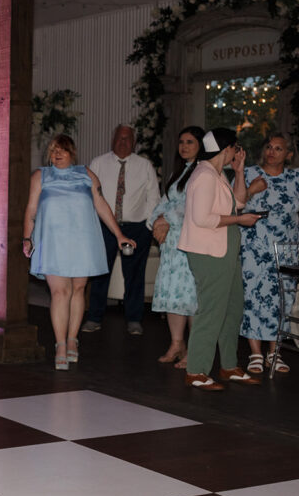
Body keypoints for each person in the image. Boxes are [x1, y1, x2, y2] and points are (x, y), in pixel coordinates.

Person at [22, 134, 134, 370]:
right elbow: (31, 209)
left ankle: (73, 339)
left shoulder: (86, 173)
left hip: (83, 239)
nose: (57, 154)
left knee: (78, 289)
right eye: (53, 151)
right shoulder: (40, 176)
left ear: (72, 152)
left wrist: (119, 235)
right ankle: (60, 344)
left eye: (62, 150)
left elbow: (101, 205)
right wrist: (27, 238)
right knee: (60, 292)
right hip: (53, 241)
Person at [178, 128, 262, 390]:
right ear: (226, 148)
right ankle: (197, 371)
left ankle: (228, 366)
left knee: (233, 308)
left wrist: (238, 172)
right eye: (236, 148)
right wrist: (239, 220)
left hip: (224, 251)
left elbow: (238, 202)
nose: (238, 153)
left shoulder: (217, 174)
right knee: (212, 311)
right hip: (209, 253)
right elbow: (202, 219)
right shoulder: (204, 175)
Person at [83, 125, 160, 335]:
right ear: (112, 140)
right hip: (106, 226)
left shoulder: (144, 165)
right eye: (119, 138)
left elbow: (154, 196)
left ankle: (134, 319)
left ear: (134, 142)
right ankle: (94, 317)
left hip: (136, 228)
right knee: (100, 273)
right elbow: (89, 195)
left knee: (134, 275)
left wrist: (148, 225)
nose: (122, 142)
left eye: (127, 139)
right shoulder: (98, 163)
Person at [239, 133, 299, 375]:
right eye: (269, 147)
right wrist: (251, 191)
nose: (272, 152)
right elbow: (233, 204)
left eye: (278, 148)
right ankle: (255, 352)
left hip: (286, 250)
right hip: (254, 248)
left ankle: (274, 353)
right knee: (253, 297)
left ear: (289, 154)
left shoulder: (296, 178)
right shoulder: (249, 174)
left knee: (281, 300)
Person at [148, 126, 203, 368]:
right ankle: (176, 343)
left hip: (191, 242)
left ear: (201, 145)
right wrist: (156, 220)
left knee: (191, 296)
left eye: (190, 141)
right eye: (181, 141)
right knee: (173, 293)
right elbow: (165, 202)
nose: (184, 146)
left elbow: (193, 207)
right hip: (171, 245)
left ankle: (195, 349)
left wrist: (165, 219)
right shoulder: (178, 173)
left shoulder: (204, 172)